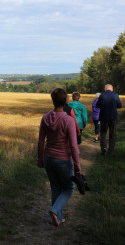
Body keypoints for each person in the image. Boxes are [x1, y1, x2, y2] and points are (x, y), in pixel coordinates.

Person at [37, 88, 81, 227]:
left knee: (55, 187)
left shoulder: (45, 118)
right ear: (66, 101)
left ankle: (58, 218)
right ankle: (55, 210)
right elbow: (73, 146)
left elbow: (40, 141)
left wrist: (40, 158)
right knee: (68, 188)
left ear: (53, 101)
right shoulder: (68, 120)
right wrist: (77, 165)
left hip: (49, 158)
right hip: (63, 159)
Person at [96, 84, 122, 155]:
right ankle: (111, 151)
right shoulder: (115, 95)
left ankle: (104, 148)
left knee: (103, 133)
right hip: (113, 118)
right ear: (112, 89)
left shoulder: (102, 95)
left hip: (104, 117)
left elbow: (97, 105)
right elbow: (119, 105)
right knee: (112, 134)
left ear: (105, 89)